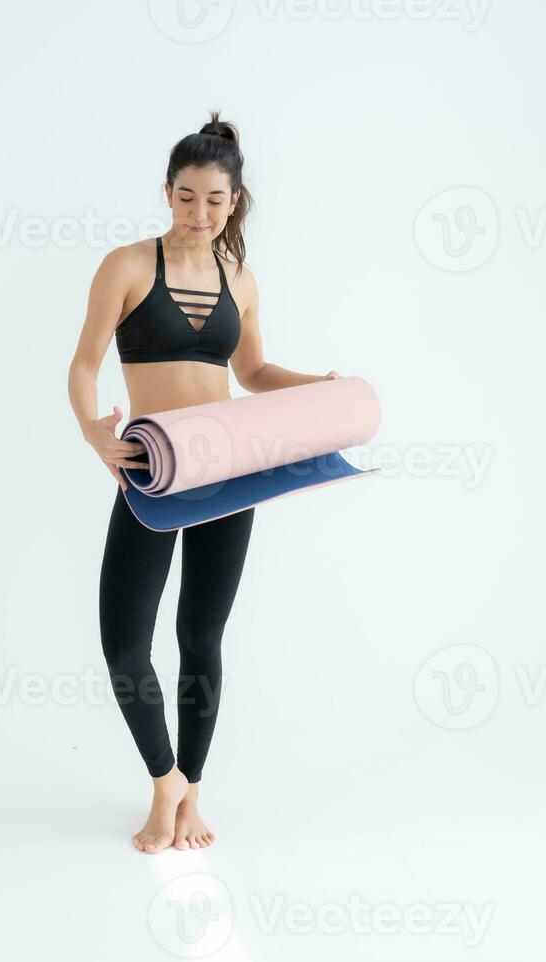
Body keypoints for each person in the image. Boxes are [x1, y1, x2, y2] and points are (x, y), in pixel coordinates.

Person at [66, 111, 340, 854]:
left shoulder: (241, 280)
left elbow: (251, 373)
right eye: (186, 197)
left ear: (234, 202)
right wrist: (95, 430)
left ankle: (193, 790)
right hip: (153, 469)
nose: (198, 213)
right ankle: (164, 782)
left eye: (214, 200)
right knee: (125, 647)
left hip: (228, 469)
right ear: (167, 191)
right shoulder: (127, 266)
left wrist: (319, 385)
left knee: (200, 636)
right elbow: (87, 362)